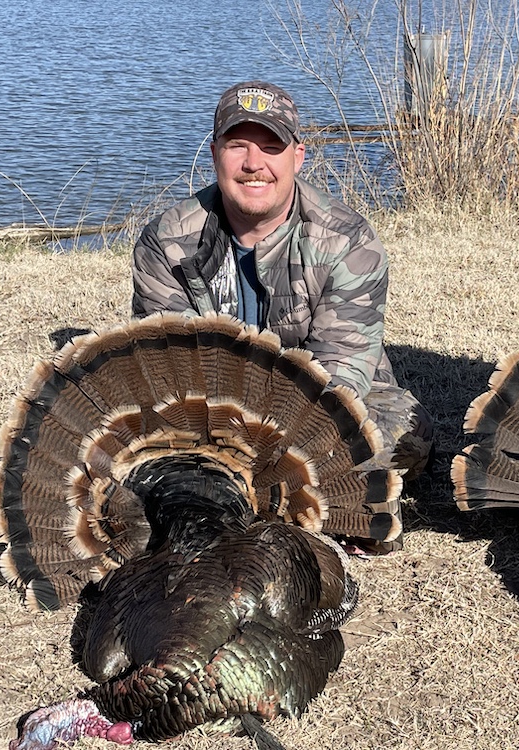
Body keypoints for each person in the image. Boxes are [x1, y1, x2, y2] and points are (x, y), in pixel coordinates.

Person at [131, 81, 433, 550]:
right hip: (212, 418)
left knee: (400, 436)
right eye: (238, 145)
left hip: (322, 411)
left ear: (298, 156)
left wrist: (275, 457)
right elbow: (168, 372)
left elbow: (341, 376)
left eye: (272, 147)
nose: (254, 163)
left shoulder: (347, 239)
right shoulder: (167, 240)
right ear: (214, 154)